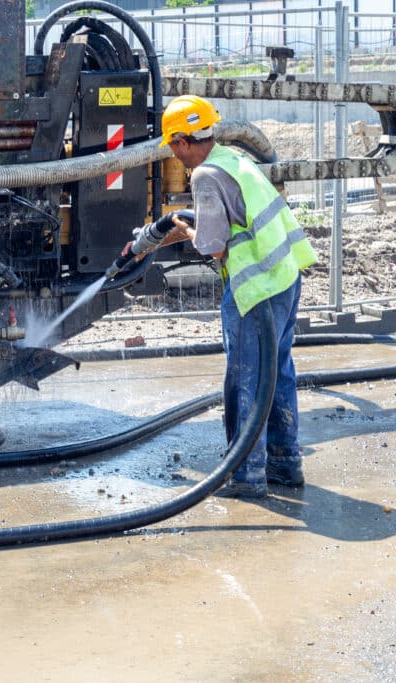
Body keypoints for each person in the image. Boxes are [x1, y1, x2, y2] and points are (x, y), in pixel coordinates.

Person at [134, 95, 318, 498]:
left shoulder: (204, 176)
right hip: (285, 275)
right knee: (277, 371)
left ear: (182, 140)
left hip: (255, 289)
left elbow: (214, 247)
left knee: (245, 378)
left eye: (172, 146)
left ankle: (245, 475)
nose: (173, 153)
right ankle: (286, 464)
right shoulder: (234, 158)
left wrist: (184, 232)